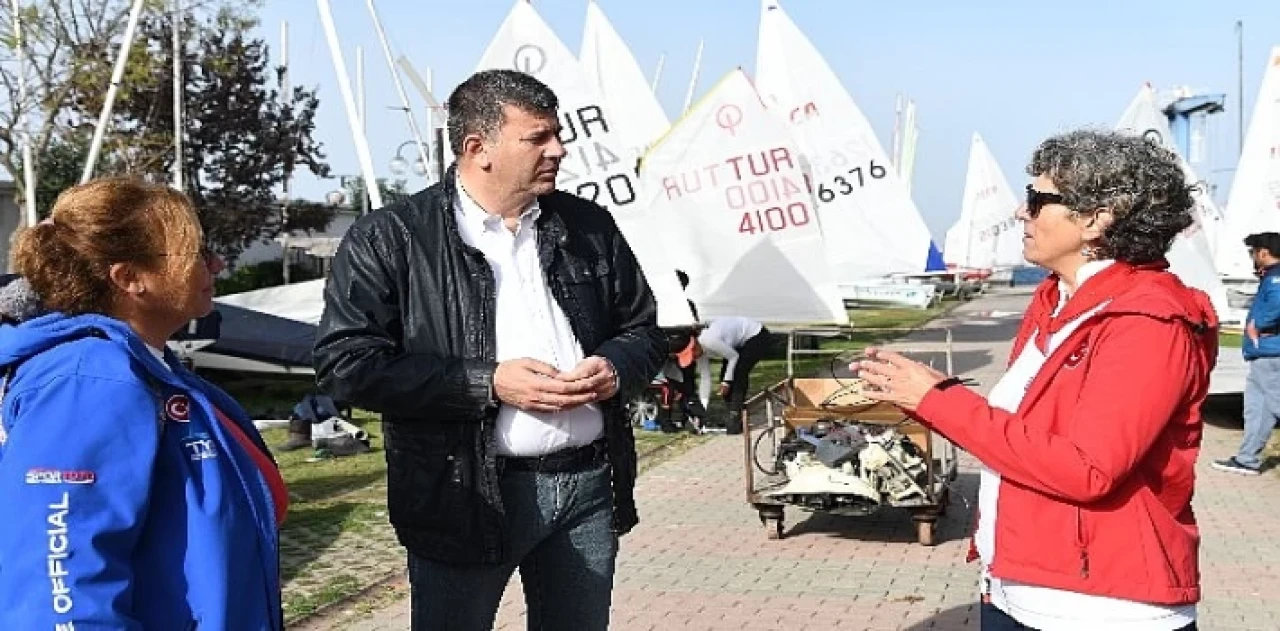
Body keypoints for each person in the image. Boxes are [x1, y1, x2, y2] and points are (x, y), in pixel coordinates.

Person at [313, 69, 665, 631]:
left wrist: (614, 368)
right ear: (478, 149)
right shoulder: (391, 237)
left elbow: (644, 330)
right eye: (538, 137)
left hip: (586, 486)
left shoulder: (588, 225)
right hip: (465, 494)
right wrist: (489, 383)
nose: (559, 149)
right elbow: (347, 365)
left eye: (558, 134)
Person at [857, 130, 1215, 631]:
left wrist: (940, 402)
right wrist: (922, 394)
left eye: (1037, 200)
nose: (1021, 213)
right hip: (1018, 586)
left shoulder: (1148, 321)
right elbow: (1025, 432)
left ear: (1097, 217)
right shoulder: (1056, 301)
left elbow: (1087, 469)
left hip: (1102, 607)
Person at [0, 178, 288, 630]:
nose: (217, 263)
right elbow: (61, 585)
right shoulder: (90, 380)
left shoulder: (153, 371)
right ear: (129, 278)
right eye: (195, 253)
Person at [1213, 232, 1280, 475]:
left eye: (1253, 252)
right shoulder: (1270, 277)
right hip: (1264, 353)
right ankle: (1247, 458)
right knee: (1258, 408)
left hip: (1272, 353)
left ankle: (1248, 458)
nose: (1252, 257)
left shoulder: (1276, 278)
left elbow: (1277, 304)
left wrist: (1257, 324)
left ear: (1264, 252)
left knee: (1273, 402)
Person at [696, 315, 770, 435]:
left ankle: (735, 418)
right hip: (735, 345)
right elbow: (705, 378)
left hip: (757, 336)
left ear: (693, 346)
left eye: (692, 355)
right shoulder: (698, 349)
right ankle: (734, 416)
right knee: (725, 377)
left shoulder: (709, 340)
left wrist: (726, 382)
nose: (694, 358)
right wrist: (701, 413)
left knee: (738, 374)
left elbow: (734, 357)